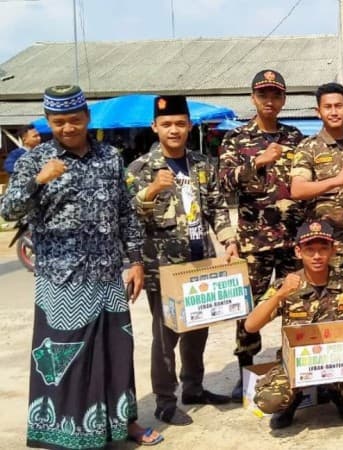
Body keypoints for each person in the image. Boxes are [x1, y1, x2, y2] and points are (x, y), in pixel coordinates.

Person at [0, 85, 162, 447]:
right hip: (62, 278)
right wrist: (38, 181)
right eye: (59, 122)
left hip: (107, 274)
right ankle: (65, 431)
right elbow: (8, 211)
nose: (68, 128)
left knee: (116, 353)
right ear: (47, 122)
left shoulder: (109, 157)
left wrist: (135, 261)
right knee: (62, 355)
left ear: (87, 118)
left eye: (75, 120)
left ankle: (124, 423)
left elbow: (125, 212)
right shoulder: (32, 160)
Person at [126, 95, 237, 426]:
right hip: (164, 268)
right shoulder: (141, 169)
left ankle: (194, 387)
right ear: (154, 127)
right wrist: (150, 192)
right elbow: (128, 218)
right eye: (166, 124)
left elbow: (216, 206)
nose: (173, 130)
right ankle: (164, 400)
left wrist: (229, 240)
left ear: (189, 126)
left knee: (197, 330)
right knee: (165, 337)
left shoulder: (202, 164)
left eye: (179, 124)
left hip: (200, 260)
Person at [244, 220, 343, 429]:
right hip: (297, 363)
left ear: (332, 250)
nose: (317, 256)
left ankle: (339, 395)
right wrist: (280, 295)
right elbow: (251, 326)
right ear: (299, 252)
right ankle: (291, 402)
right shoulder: (285, 285)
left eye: (323, 249)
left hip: (339, 361)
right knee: (268, 400)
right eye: (310, 250)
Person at [217, 69, 306, 398]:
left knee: (296, 305)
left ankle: (293, 370)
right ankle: (246, 370)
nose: (270, 100)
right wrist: (257, 162)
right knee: (248, 309)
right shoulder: (236, 138)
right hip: (253, 242)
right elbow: (223, 183)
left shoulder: (296, 137)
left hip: (292, 241)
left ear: (283, 99)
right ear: (253, 97)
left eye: (276, 95)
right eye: (263, 94)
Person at [290, 82, 343, 283]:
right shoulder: (308, 147)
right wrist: (335, 181)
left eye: (339, 106)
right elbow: (298, 190)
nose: (334, 112)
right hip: (322, 247)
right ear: (318, 112)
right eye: (328, 107)